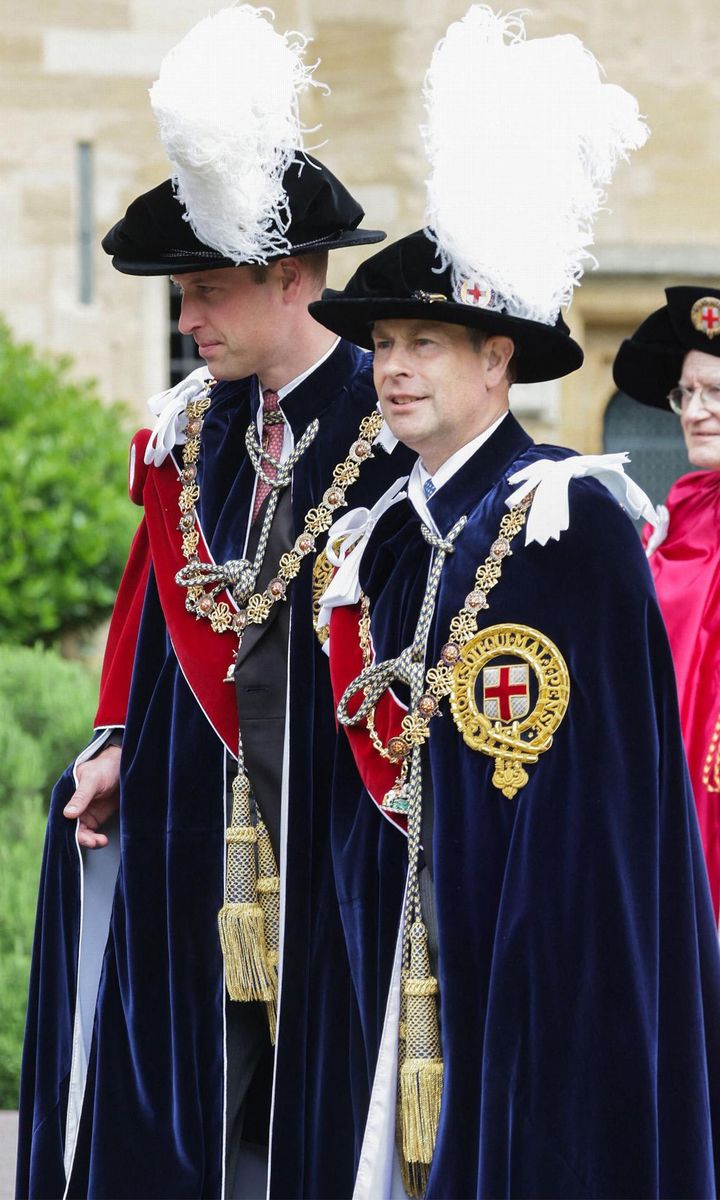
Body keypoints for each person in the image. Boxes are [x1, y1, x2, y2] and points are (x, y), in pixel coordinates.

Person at [307, 10, 720, 1198]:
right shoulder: (387, 536)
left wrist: (540, 967)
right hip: (402, 933)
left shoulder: (568, 516)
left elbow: (596, 809)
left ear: (497, 361)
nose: (392, 367)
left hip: (543, 962)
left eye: (426, 341)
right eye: (383, 341)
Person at [16, 9, 412, 1199]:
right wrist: (118, 738)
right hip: (192, 822)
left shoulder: (389, 429)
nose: (185, 320)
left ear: (288, 278)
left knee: (316, 1111)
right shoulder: (190, 427)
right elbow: (151, 614)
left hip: (333, 823)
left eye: (201, 293)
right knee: (180, 1103)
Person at [613, 285, 720, 923]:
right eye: (688, 394)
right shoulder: (667, 530)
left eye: (716, 393)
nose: (696, 411)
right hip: (670, 820)